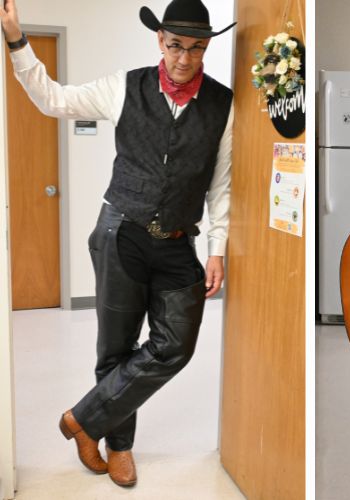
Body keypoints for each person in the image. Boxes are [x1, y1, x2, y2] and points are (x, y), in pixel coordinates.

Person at [2, 0, 233, 488]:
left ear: (206, 47)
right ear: (160, 42)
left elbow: (222, 183)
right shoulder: (123, 87)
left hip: (176, 243)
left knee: (175, 346)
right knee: (116, 348)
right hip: (120, 232)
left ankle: (83, 418)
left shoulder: (223, 104)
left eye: (195, 48)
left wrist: (217, 246)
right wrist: (18, 43)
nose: (184, 59)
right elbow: (53, 100)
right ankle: (117, 445)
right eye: (175, 46)